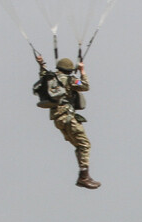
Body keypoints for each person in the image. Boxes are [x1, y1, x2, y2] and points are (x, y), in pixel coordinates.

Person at [35, 54, 100, 189]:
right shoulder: (70, 80)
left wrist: (41, 63)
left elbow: (43, 74)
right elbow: (85, 86)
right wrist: (82, 71)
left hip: (58, 120)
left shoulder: (50, 78)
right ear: (70, 70)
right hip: (68, 118)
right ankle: (84, 176)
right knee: (84, 145)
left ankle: (83, 175)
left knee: (79, 145)